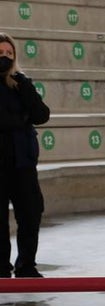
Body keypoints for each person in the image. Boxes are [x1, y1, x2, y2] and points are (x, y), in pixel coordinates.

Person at [0, 32, 50, 279]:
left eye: (9, 53)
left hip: (23, 161)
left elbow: (42, 114)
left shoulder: (21, 83)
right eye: (0, 54)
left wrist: (24, 87)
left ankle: (26, 265)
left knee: (31, 212)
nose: (5, 57)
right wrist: (20, 119)